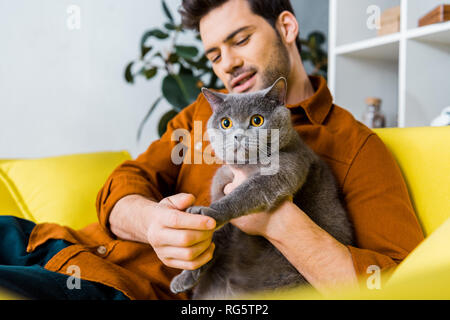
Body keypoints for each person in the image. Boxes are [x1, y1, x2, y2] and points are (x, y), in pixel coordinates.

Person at [0, 0, 424, 300]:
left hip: (116, 289)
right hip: (53, 242)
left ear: (287, 28)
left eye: (240, 40)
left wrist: (278, 220)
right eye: (215, 54)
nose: (227, 64)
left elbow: (396, 284)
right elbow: (125, 183)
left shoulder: (355, 146)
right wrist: (149, 222)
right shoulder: (203, 114)